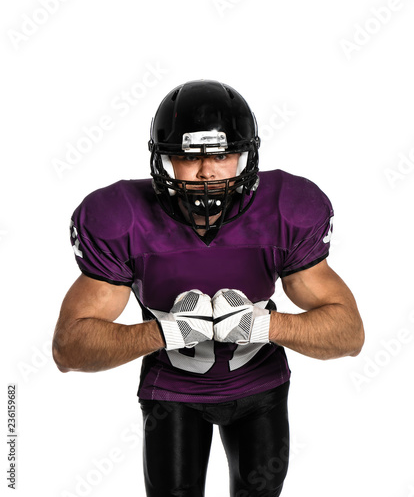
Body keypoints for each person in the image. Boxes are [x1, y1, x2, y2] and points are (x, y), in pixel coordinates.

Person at [52, 79, 364, 497]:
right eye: (186, 156)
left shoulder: (287, 208)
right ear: (163, 161)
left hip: (260, 388)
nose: (207, 171)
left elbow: (349, 335)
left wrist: (267, 326)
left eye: (223, 153)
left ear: (246, 155)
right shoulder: (121, 219)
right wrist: (161, 333)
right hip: (172, 392)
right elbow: (68, 349)